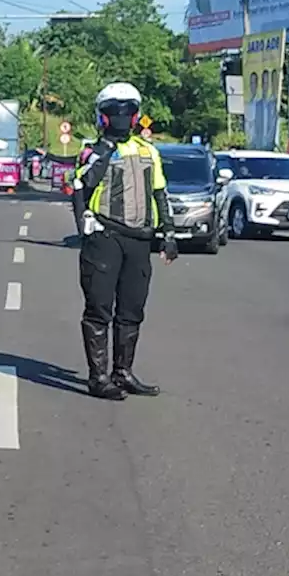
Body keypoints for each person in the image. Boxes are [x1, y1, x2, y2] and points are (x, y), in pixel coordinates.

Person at [71, 82, 177, 401]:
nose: (120, 119)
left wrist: (169, 233)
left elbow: (160, 192)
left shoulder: (149, 151)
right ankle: (98, 377)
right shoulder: (93, 151)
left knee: (132, 309)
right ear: (102, 117)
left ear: (136, 116)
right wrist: (83, 227)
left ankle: (123, 372)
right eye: (113, 113)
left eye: (127, 112)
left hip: (139, 240)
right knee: (99, 307)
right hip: (106, 236)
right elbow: (80, 188)